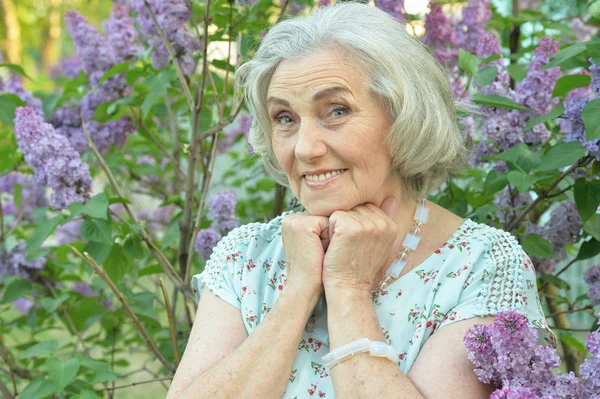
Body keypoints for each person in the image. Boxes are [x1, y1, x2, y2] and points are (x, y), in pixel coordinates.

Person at [168, 3, 553, 398]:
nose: (304, 148)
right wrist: (300, 287)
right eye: (285, 118)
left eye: (336, 111)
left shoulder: (481, 266)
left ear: (404, 116)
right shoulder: (244, 256)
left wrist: (348, 289)